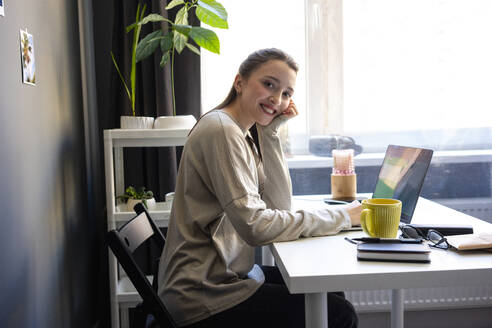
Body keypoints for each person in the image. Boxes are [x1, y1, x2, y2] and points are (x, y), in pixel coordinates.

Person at [158, 48, 362, 328]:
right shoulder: (222, 131)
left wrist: (270, 132)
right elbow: (256, 227)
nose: (277, 100)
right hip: (203, 294)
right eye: (269, 85)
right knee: (338, 313)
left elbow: (278, 207)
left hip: (226, 278)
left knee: (326, 289)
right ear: (239, 82)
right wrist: (343, 217)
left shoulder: (241, 133)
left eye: (287, 93)